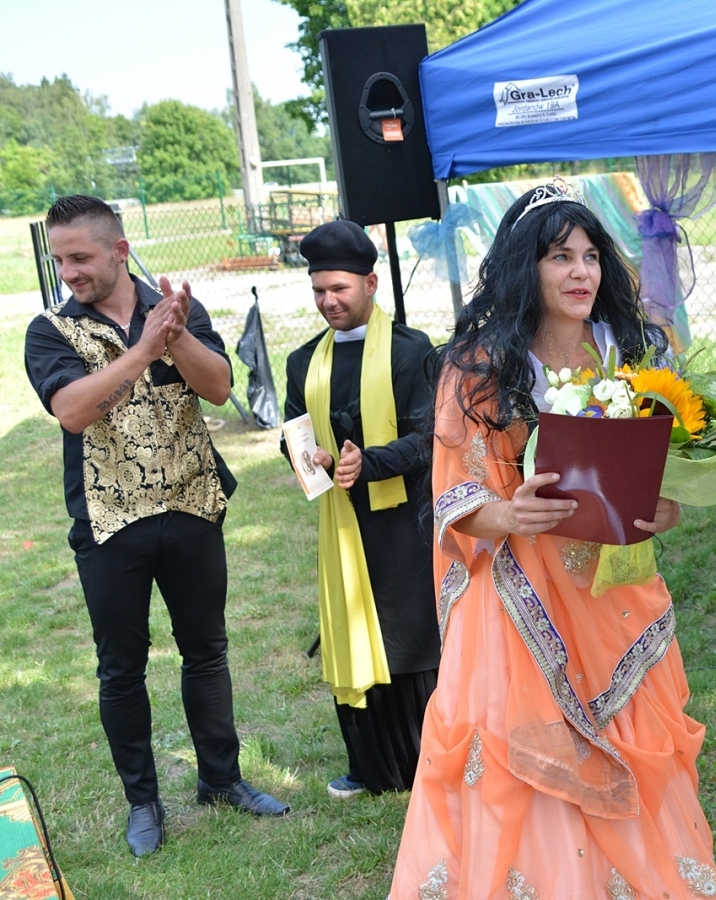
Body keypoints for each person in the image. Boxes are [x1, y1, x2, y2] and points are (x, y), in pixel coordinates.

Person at [388, 180, 716, 899]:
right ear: (525, 267)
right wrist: (508, 515)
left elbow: (661, 468)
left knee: (630, 741)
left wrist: (666, 508)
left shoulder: (631, 353)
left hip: (613, 590)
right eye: (559, 257)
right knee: (523, 759)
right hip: (519, 601)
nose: (581, 273)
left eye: (591, 256)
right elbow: (457, 495)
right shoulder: (479, 367)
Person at [23, 195, 290, 859]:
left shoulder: (175, 309)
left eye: (80, 257)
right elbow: (72, 411)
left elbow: (220, 388)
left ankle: (221, 780)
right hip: (110, 522)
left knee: (207, 650)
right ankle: (143, 803)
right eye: (60, 260)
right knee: (122, 670)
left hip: (191, 505)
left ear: (119, 251)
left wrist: (176, 336)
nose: (69, 272)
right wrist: (142, 350)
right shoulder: (51, 330)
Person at [281, 219, 440, 799]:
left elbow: (430, 438)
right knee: (352, 630)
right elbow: (293, 434)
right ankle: (370, 766)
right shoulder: (304, 362)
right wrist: (313, 459)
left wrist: (368, 462)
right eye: (319, 290)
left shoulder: (410, 351)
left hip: (404, 522)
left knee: (409, 636)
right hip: (343, 523)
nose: (329, 301)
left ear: (371, 284)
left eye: (339, 289)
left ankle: (428, 760)